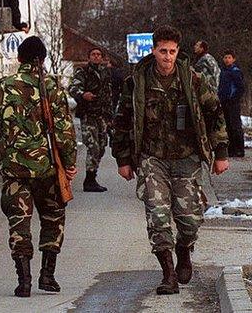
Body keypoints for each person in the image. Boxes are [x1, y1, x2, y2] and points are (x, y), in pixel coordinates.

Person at [112, 24, 228, 295]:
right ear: (153, 51)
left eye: (172, 51)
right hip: (153, 159)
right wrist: (123, 159)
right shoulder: (137, 83)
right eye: (162, 51)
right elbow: (121, 121)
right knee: (157, 216)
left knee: (190, 220)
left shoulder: (193, 79)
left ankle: (184, 250)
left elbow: (215, 113)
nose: (167, 57)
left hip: (186, 158)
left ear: (178, 52)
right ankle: (168, 275)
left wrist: (220, 152)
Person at [0, 36, 77, 298]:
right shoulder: (53, 87)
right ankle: (48, 275)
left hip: (13, 170)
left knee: (19, 224)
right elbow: (65, 131)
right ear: (42, 59)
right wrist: (69, 164)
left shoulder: (2, 86)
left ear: (19, 58)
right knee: (53, 218)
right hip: (47, 169)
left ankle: (24, 281)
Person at [68, 47, 113, 192]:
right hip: (88, 115)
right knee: (92, 147)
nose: (96, 57)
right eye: (93, 54)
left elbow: (109, 94)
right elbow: (73, 89)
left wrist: (111, 116)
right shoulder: (83, 72)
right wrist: (83, 95)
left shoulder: (105, 72)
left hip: (102, 115)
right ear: (89, 57)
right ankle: (89, 179)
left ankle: (93, 175)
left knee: (101, 147)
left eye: (98, 54)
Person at [219, 50, 245, 157]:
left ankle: (239, 149)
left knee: (235, 126)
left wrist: (234, 99)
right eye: (225, 57)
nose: (227, 59)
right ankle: (231, 149)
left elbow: (241, 88)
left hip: (233, 103)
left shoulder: (235, 71)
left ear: (233, 59)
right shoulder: (223, 71)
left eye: (229, 57)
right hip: (224, 102)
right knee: (228, 126)